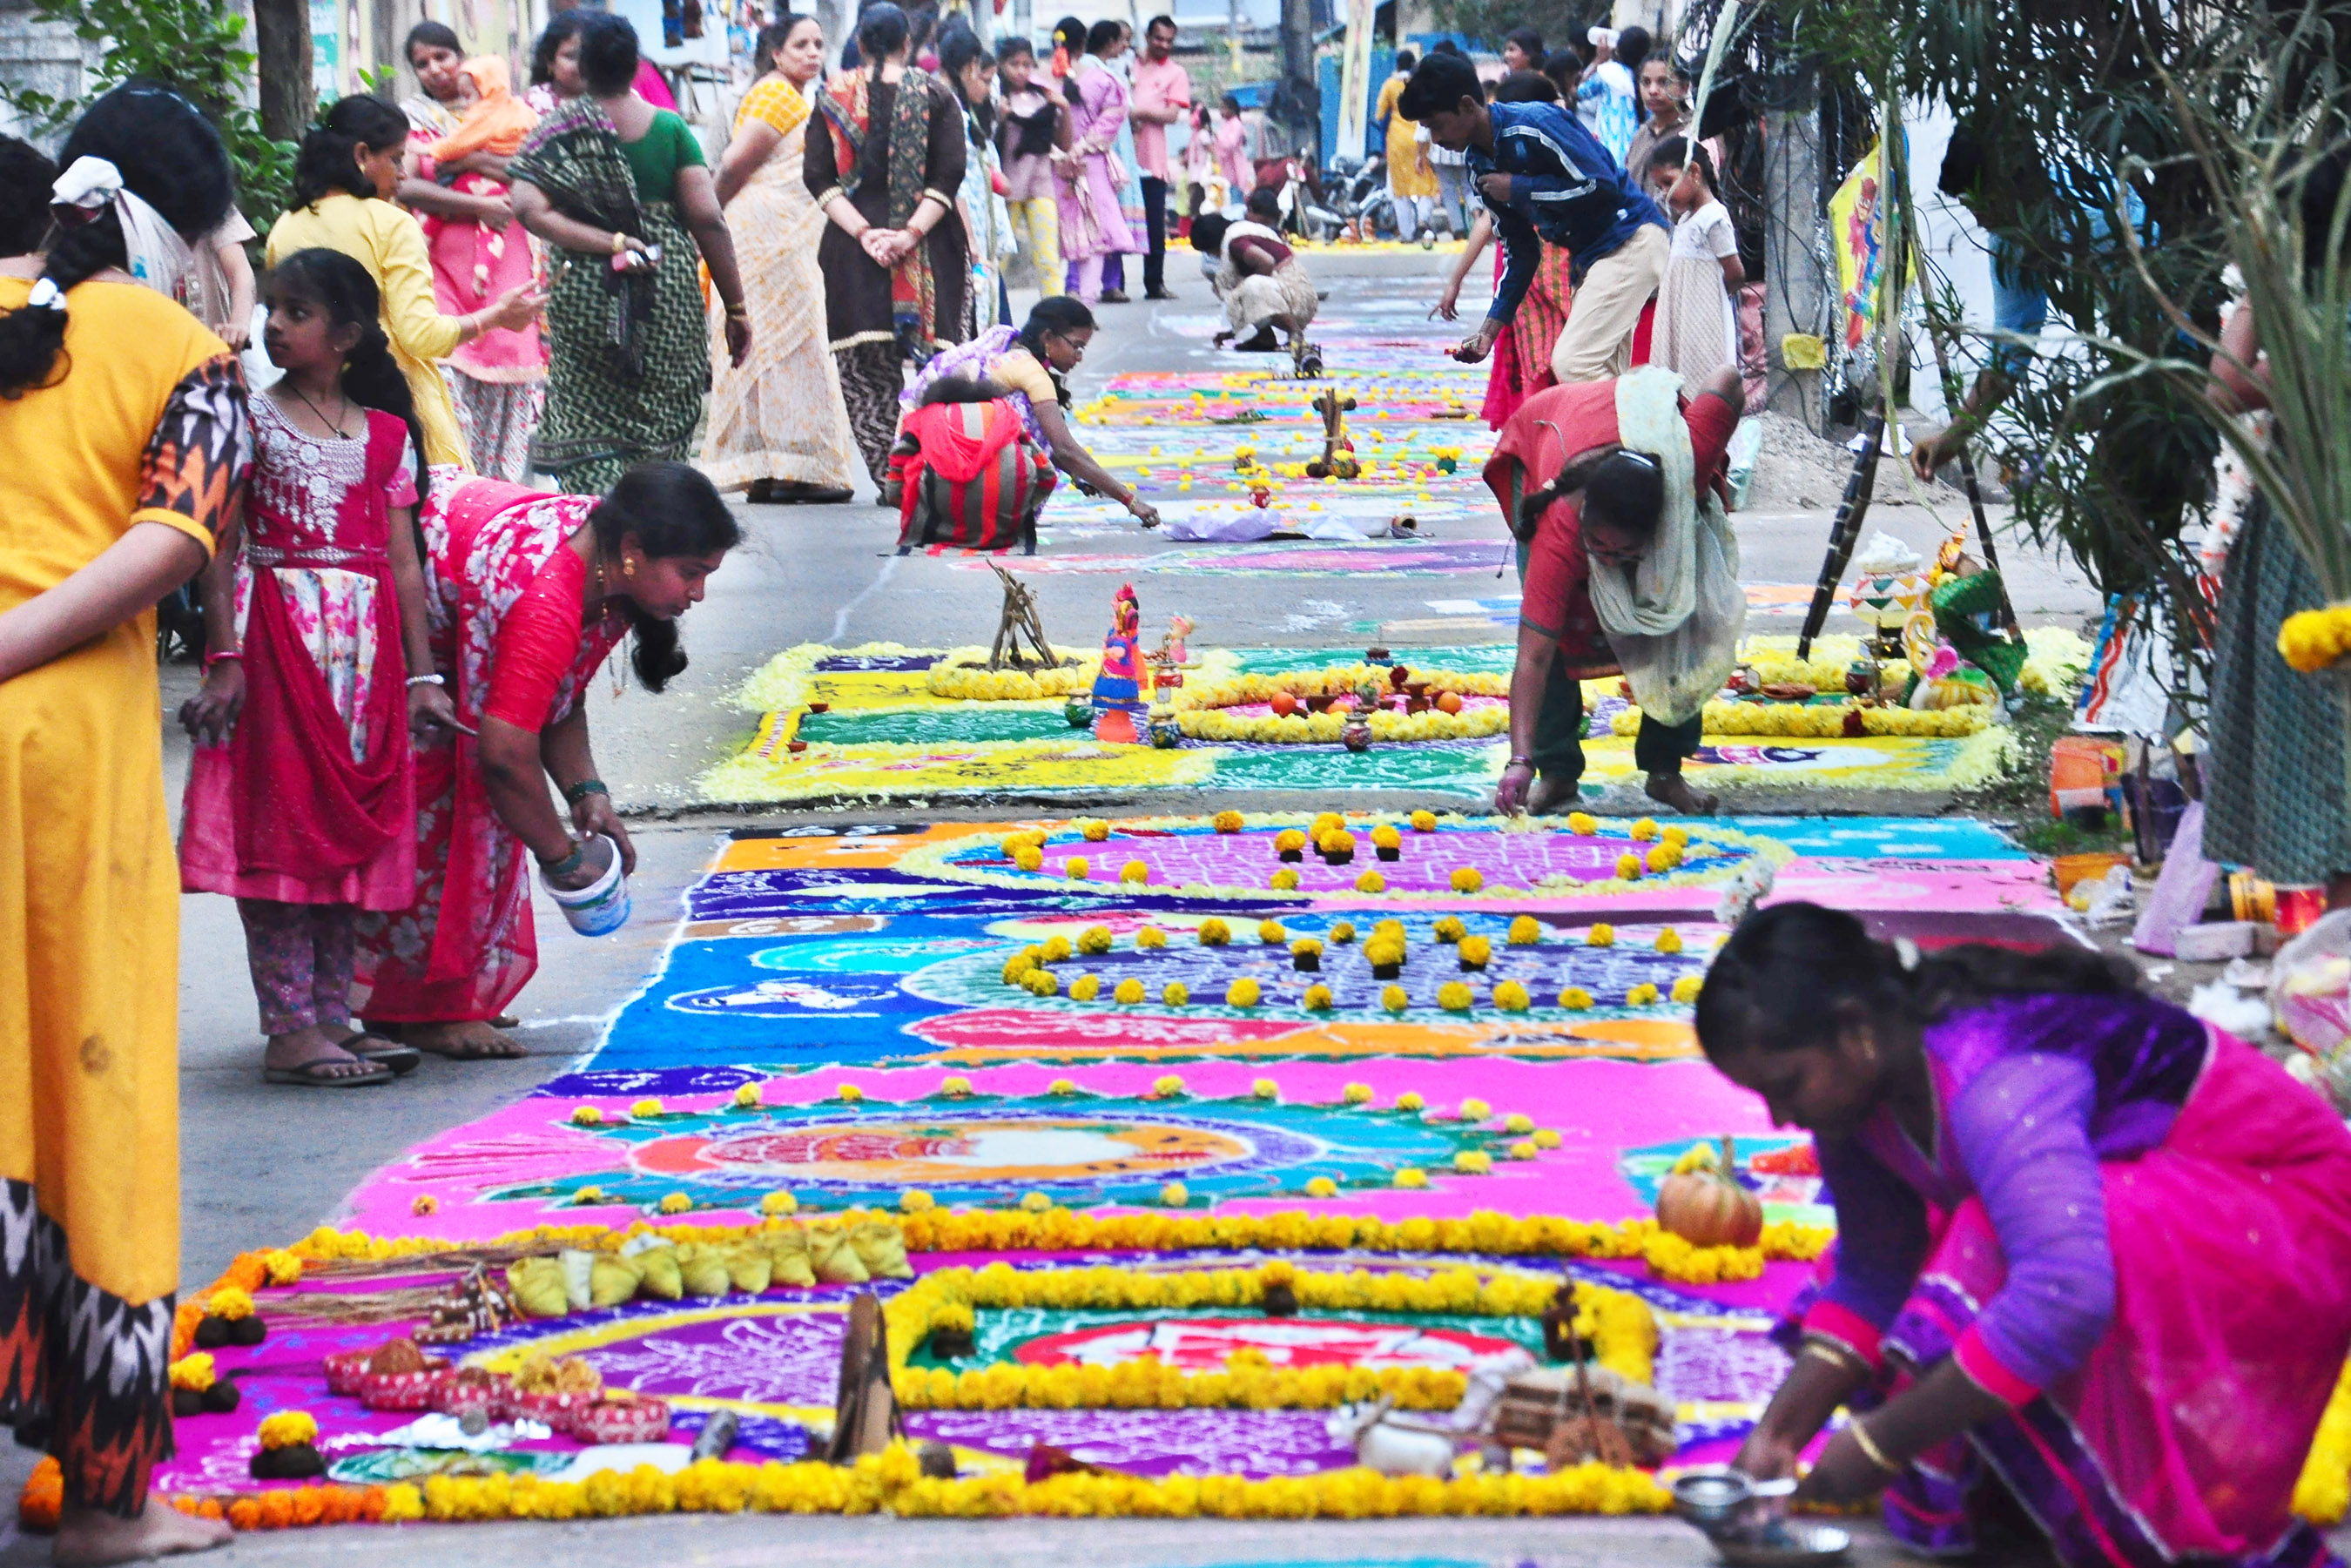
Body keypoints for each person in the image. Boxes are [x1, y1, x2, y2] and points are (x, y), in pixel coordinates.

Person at [1700, 904, 2351, 1565]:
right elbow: (1874, 1269)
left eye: (1787, 1085)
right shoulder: (1857, 1098)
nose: (1781, 1117)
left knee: (1989, 1244)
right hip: (2176, 1217)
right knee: (1967, 1244)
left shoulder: (1996, 1078)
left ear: (1855, 1029)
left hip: (2293, 1223)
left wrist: (1885, 1440)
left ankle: (2126, 1513)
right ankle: (2029, 1491)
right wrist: (1778, 1434)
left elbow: (2067, 1295)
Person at [0, 81, 250, 1564]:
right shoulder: (172, 346)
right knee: (93, 1093)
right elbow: (176, 535)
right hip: (67, 767)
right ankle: (109, 1499)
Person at [354, 463, 739, 1059]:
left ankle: (421, 998)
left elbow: (557, 694)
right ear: (634, 551)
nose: (698, 594)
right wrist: (561, 857)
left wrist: (588, 792)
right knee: (453, 813)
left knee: (467, 806)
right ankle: (428, 1009)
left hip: (444, 620)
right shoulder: (549, 593)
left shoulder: (607, 568)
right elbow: (506, 755)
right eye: (690, 573)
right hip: (380, 630)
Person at [179, 248, 451, 1088]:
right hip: (277, 644)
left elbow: (404, 565)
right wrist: (224, 658)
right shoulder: (251, 421)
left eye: (297, 312)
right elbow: (219, 545)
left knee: (342, 836)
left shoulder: (388, 436)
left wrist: (422, 676)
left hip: (362, 662)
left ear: (347, 335)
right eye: (273, 309)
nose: (275, 325)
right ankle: (290, 1029)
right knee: (283, 832)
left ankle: (332, 1016)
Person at [1489, 365, 1745, 818]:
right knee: (1554, 628)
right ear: (1584, 520)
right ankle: (1556, 771)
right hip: (1549, 430)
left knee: (1680, 616)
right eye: (1599, 547)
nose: (1608, 561)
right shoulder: (1560, 528)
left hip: (1631, 437)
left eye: (1624, 552)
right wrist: (1519, 761)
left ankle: (1665, 771)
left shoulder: (1688, 468)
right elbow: (1533, 657)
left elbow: (1728, 378)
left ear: (1658, 532)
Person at [510, 12, 750, 495]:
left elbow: (528, 207)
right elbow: (708, 220)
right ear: (636, 65)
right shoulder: (669, 129)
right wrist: (737, 308)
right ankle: (654, 508)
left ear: (584, 67)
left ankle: (600, 512)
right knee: (662, 405)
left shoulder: (558, 131)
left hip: (584, 290)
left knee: (589, 401)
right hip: (665, 289)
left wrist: (604, 241)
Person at [269, 94, 544, 470]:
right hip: (392, 415)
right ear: (362, 155)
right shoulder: (392, 224)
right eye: (397, 159)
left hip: (306, 418)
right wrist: (496, 317)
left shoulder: (284, 227)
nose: (403, 173)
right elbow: (420, 337)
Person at [2201, 281, 2351, 905]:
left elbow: (2225, 389)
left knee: (2331, 754)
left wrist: (2256, 291)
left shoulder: (2326, 322)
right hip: (2311, 535)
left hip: (2321, 544)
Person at [1405, 50, 1669, 386]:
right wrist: (1489, 331)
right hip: (1594, 259)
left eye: (1437, 125)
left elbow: (1600, 185)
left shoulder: (1536, 123)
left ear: (1467, 106)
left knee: (1574, 363)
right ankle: (1640, 417)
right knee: (1601, 373)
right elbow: (1521, 250)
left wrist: (1519, 187)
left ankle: (1655, 410)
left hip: (1631, 238)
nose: (1436, 140)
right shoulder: (1479, 164)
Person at [807, 2, 969, 487]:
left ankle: (891, 479)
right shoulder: (937, 95)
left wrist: (865, 233)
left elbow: (818, 178)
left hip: (854, 254)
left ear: (858, 43)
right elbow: (949, 176)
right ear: (908, 43)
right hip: (931, 251)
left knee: (865, 378)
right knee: (941, 372)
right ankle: (941, 473)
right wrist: (909, 235)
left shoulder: (832, 96)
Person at [703, 13, 860, 504]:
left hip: (783, 239)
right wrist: (706, 225)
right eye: (800, 45)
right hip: (764, 239)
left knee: (787, 350)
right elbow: (732, 167)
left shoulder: (795, 97)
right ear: (775, 54)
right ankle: (784, 469)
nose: (813, 53)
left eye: (818, 44)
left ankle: (780, 470)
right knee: (782, 348)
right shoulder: (776, 95)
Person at [901, 295, 1160, 530]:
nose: (1079, 357)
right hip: (958, 486)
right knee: (1024, 412)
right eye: (1077, 346)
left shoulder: (1002, 342)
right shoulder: (1030, 373)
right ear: (1048, 338)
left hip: (921, 483)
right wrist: (1131, 501)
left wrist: (1077, 474)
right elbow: (1063, 449)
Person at [409, 51, 549, 484]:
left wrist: (466, 160)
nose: (435, 68)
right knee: (448, 371)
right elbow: (407, 184)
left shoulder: (516, 115)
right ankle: (458, 486)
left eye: (442, 57)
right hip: (443, 264)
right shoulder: (413, 120)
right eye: (421, 63)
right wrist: (477, 202)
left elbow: (535, 171)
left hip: (507, 256)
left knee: (506, 361)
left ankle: (498, 492)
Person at [1431, 71, 1573, 428]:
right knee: (1537, 364)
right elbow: (1488, 221)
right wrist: (1455, 281)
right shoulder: (1498, 157)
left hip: (1568, 276)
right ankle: (1538, 436)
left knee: (1574, 361)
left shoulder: (1567, 148)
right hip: (1528, 282)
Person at [1054, 19, 1143, 304]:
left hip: (1054, 167)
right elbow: (1112, 121)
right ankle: (1086, 305)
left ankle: (1062, 299)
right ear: (1083, 44)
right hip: (1091, 166)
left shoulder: (1043, 78)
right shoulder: (1105, 81)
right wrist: (1081, 148)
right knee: (1096, 238)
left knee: (1058, 237)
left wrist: (1061, 153)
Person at [1646, 138, 1741, 397]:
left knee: (1702, 371)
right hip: (1680, 312)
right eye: (1660, 187)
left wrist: (1711, 295)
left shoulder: (1713, 217)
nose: (1665, 194)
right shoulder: (1685, 220)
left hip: (1703, 316)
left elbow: (1735, 272)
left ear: (1694, 172)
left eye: (1668, 182)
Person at [937, 23, 1015, 333]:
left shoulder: (963, 109)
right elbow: (952, 179)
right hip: (965, 225)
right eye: (985, 80)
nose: (988, 90)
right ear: (969, 67)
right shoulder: (950, 110)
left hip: (977, 224)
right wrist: (969, 239)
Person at [1191, 208, 1317, 357]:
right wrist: (1234, 331)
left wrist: (1245, 295)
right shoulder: (1238, 233)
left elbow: (1266, 262)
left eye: (1209, 252)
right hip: (1287, 292)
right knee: (1231, 286)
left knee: (1249, 287)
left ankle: (1294, 333)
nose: (1212, 256)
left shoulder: (1236, 243)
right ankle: (1264, 337)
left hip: (1298, 298)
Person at [1128, 14, 1190, 299]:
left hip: (1152, 159)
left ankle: (1155, 283)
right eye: (1158, 39)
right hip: (1120, 156)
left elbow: (1172, 115)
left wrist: (1139, 112)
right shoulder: (1129, 63)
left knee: (1154, 223)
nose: (1163, 45)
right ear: (1147, 37)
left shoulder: (1176, 73)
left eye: (1169, 41)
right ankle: (1112, 285)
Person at [996, 39, 1067, 291]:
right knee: (999, 258)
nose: (1021, 71)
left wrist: (1065, 108)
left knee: (1048, 260)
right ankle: (993, 312)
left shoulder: (1042, 98)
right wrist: (1000, 118)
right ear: (1002, 65)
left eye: (1027, 65)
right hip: (1006, 187)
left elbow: (1063, 143)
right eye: (1014, 64)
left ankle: (1056, 311)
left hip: (1041, 185)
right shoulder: (997, 97)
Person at [1375, 51, 1438, 244]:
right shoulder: (1420, 84)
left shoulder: (1390, 85)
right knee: (1425, 181)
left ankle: (1407, 233)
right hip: (1420, 136)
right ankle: (1423, 218)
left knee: (1400, 187)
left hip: (1397, 139)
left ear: (1397, 65)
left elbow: (1379, 114)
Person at [1621, 51, 1687, 188]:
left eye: (1664, 82)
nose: (1652, 90)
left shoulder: (1692, 134)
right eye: (1646, 82)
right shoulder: (1641, 134)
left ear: (1684, 88)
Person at [1576, 26, 1639, 165]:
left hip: (1609, 149)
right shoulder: (1645, 75)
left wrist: (1599, 59)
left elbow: (1580, 92)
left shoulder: (1609, 72)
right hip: (1635, 151)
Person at [526, 10, 590, 115]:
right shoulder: (530, 108)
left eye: (591, 54)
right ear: (550, 61)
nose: (582, 64)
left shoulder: (612, 102)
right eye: (571, 56)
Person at [1213, 93, 1256, 205]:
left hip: (1234, 168)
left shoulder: (1236, 125)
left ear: (1232, 109)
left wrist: (1217, 137)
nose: (1221, 111)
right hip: (1224, 168)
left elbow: (1230, 144)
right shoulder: (1225, 124)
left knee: (1235, 202)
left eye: (1224, 108)